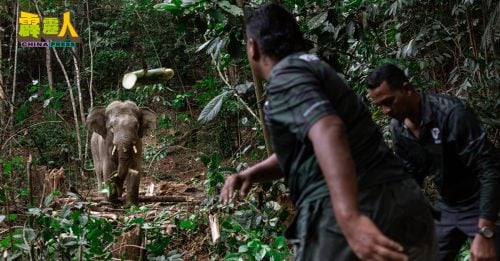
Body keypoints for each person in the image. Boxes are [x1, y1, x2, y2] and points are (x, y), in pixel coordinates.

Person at [219, 4, 437, 260]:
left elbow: (328, 131)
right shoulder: (315, 71)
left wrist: (350, 217)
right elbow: (312, 146)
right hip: (402, 201)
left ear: (252, 47)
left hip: (357, 207)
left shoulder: (287, 75)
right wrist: (251, 174)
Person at [366, 63, 500, 261]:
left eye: (389, 101)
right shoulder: (399, 129)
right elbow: (411, 177)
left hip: (480, 201)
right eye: (380, 106)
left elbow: (490, 168)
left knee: (488, 255)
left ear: (407, 89)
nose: (386, 111)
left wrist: (485, 231)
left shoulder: (452, 114)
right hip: (448, 205)